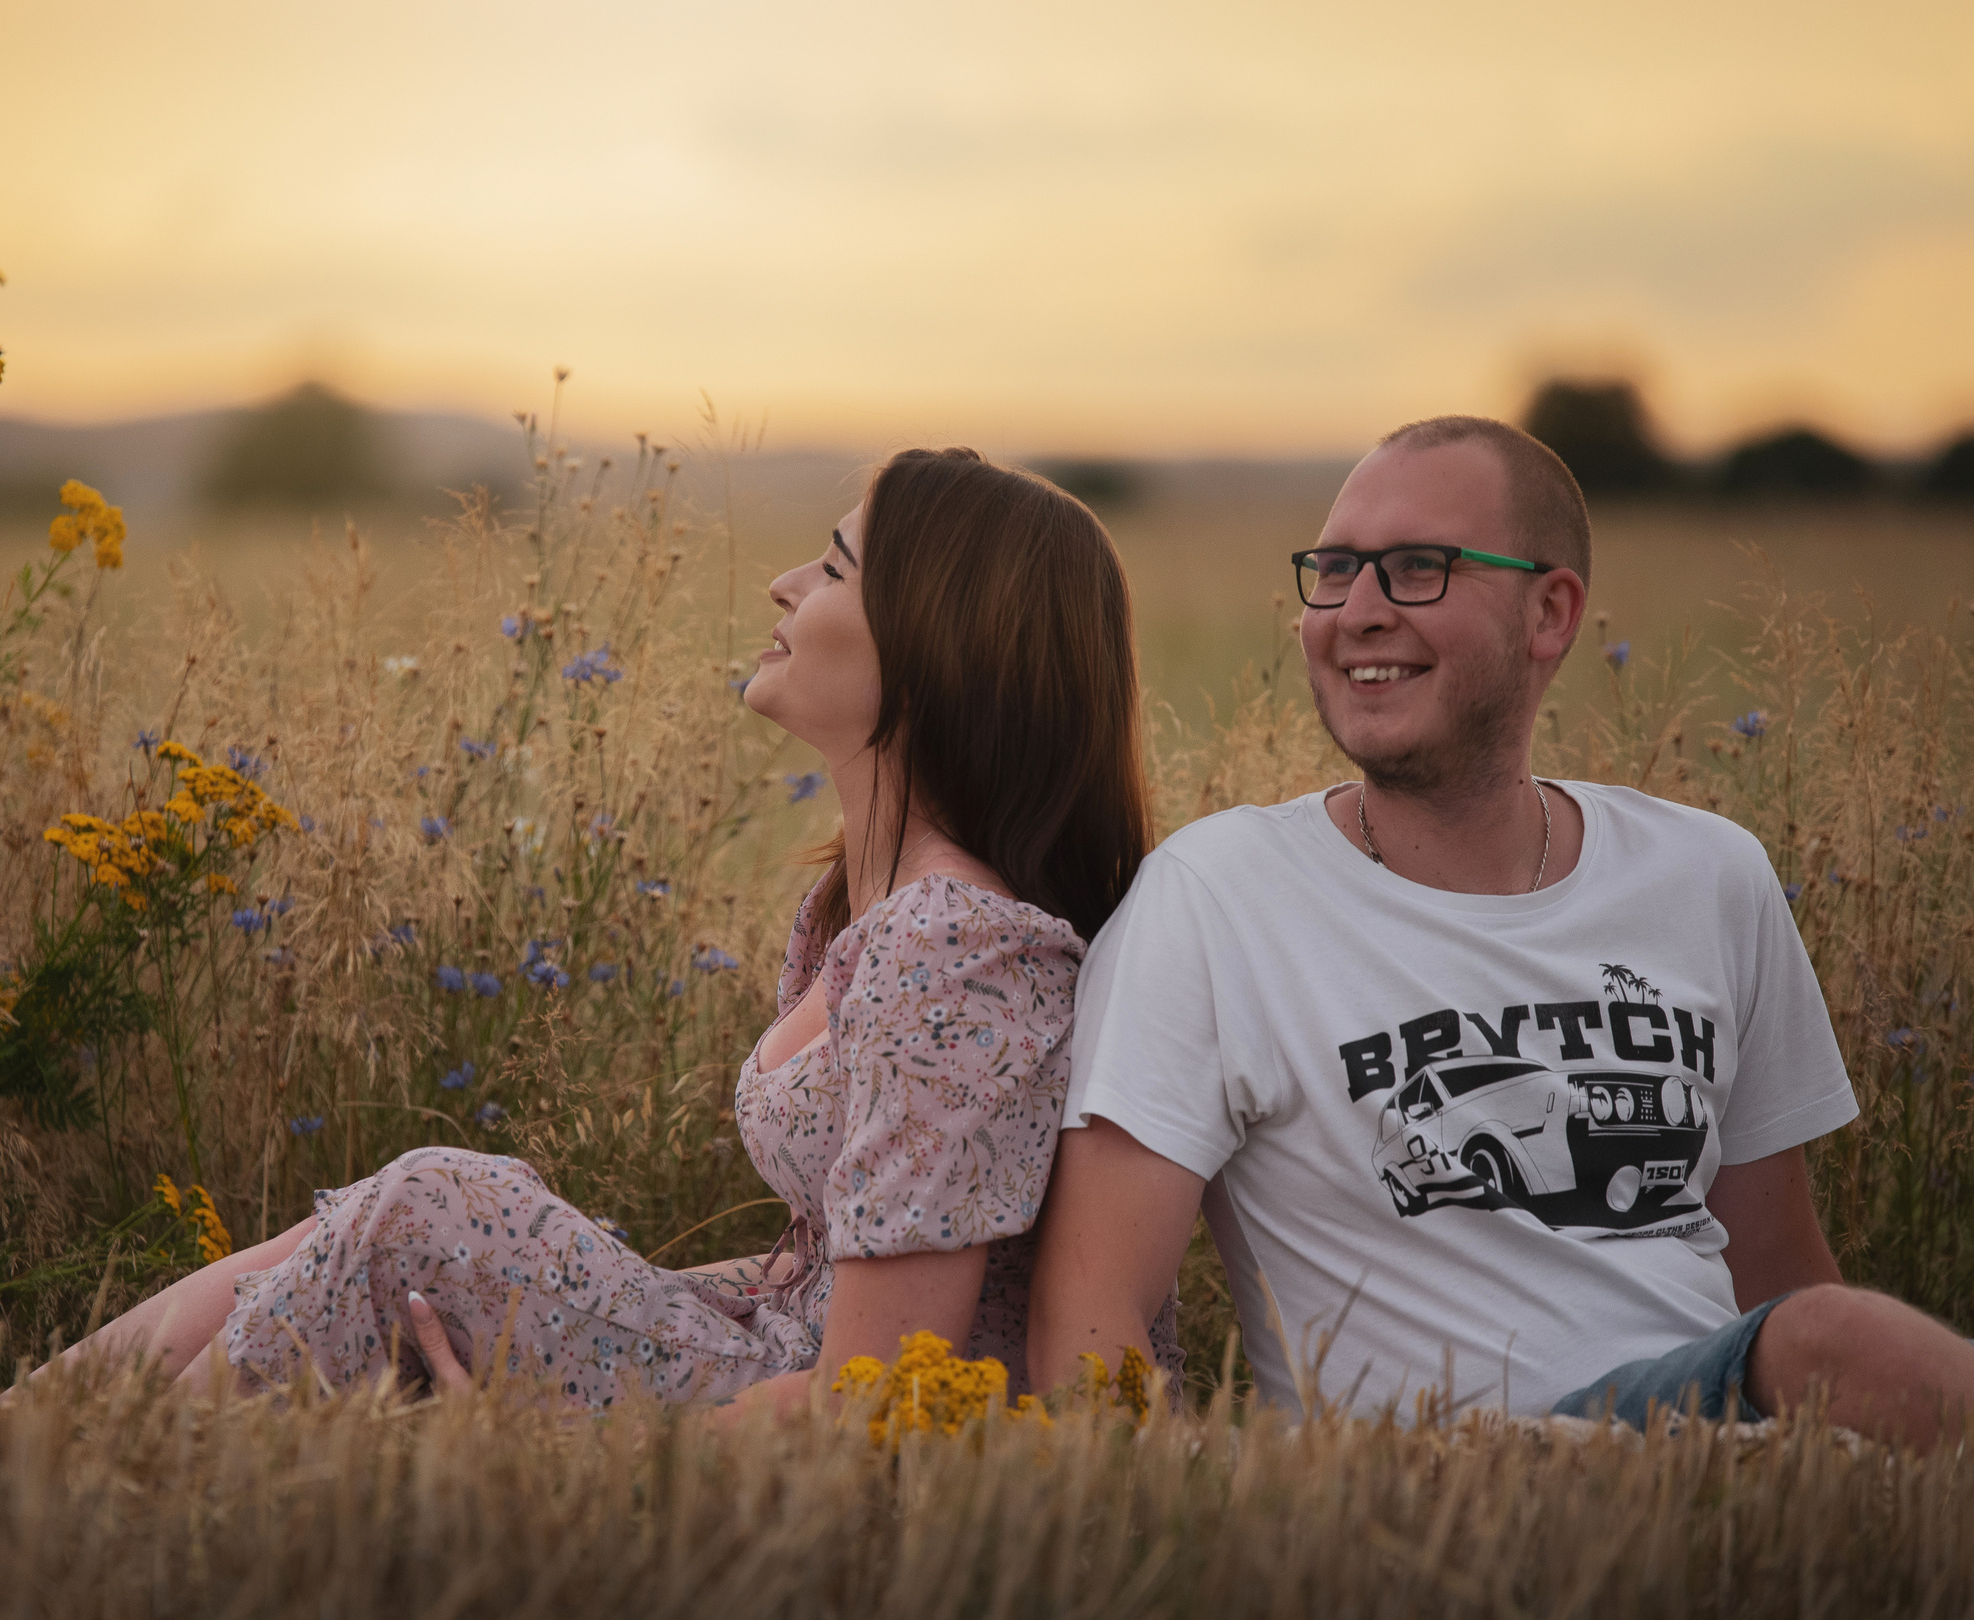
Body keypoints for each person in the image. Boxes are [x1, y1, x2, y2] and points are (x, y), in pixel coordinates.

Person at [1027, 415, 1974, 1464]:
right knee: (1838, 1342)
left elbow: (1778, 1269)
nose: (1354, 610)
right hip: (1502, 1456)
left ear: (1550, 612)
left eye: (1414, 566)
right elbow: (1089, 1312)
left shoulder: (1707, 874)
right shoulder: (1217, 899)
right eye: (1335, 568)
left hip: (1731, 1410)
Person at [58, 447, 1179, 1412]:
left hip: (796, 1426)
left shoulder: (953, 950)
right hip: (765, 1347)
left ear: (939, 642)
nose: (785, 586)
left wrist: (548, 1447)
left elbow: (878, 1396)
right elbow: (831, 1260)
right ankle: (45, 1424)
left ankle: (114, 1469)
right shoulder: (862, 909)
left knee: (437, 1206)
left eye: (835, 567)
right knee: (424, 1213)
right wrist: (596, 1288)